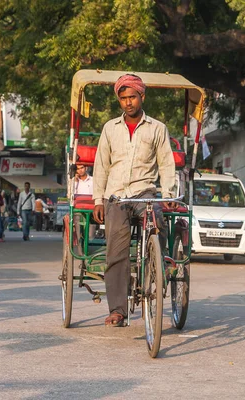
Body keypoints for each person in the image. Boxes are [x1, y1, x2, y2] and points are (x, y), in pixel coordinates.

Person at [92, 74, 177, 327]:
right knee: (116, 251)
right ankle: (118, 309)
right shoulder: (110, 128)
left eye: (132, 97)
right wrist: (98, 199)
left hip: (144, 192)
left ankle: (158, 268)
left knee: (158, 221)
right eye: (123, 98)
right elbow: (101, 166)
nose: (128, 102)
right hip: (116, 196)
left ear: (142, 97)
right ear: (119, 100)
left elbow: (166, 164)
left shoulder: (157, 128)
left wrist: (169, 194)